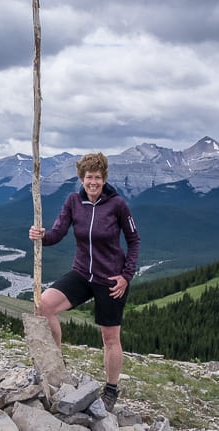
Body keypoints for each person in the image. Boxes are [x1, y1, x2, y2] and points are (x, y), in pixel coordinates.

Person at [29, 152, 140, 412]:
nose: (93, 182)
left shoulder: (118, 205)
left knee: (110, 337)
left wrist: (126, 276)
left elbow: (134, 241)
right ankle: (56, 365)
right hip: (81, 273)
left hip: (110, 279)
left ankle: (111, 389)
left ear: (104, 178)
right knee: (44, 306)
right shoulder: (73, 202)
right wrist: (41, 236)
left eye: (98, 177)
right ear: (82, 178)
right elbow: (57, 233)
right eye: (89, 177)